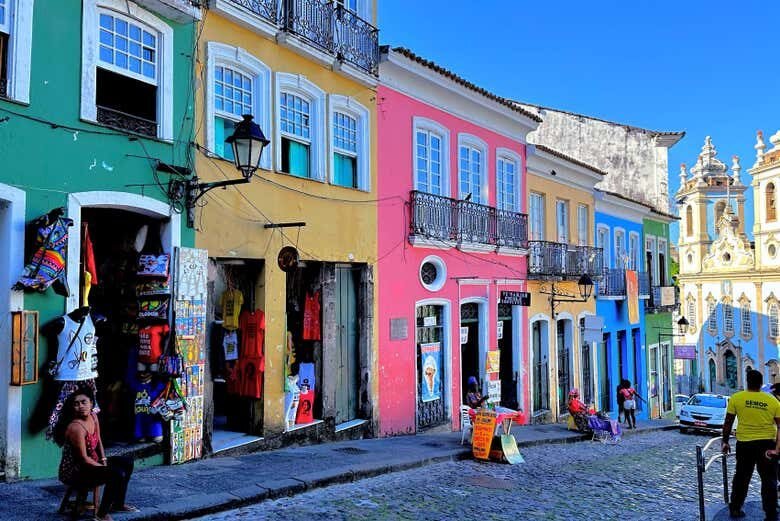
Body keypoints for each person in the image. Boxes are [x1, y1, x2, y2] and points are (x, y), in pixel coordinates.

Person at [54, 387, 137, 521]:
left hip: (93, 462)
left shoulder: (93, 416)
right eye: (76, 404)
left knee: (127, 462)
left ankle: (118, 504)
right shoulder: (76, 427)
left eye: (84, 402)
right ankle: (101, 514)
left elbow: (98, 441)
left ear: (91, 403)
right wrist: (104, 468)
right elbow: (83, 458)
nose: (80, 406)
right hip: (77, 470)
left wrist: (103, 459)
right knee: (116, 474)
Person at [723, 369, 780, 520]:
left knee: (741, 477)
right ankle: (771, 514)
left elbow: (728, 422)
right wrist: (778, 448)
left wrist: (725, 442)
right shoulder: (773, 401)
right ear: (761, 384)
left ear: (747, 382)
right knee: (769, 480)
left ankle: (735, 508)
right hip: (767, 444)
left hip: (745, 445)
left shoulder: (736, 398)